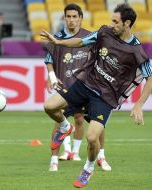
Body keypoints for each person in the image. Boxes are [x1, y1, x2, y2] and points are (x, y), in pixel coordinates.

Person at [41, 3, 152, 188]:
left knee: (92, 138)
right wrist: (58, 42)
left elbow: (150, 79)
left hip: (105, 98)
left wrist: (139, 104)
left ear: (127, 23)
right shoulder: (105, 33)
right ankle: (64, 127)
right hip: (85, 84)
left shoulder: (137, 51)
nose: (112, 24)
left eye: (116, 22)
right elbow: (80, 42)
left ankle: (88, 168)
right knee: (49, 106)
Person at [45, 3, 111, 172]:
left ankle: (101, 157)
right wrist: (51, 77)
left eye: (75, 17)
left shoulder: (89, 37)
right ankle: (53, 160)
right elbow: (49, 60)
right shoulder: (57, 38)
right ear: (64, 18)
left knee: (97, 123)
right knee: (58, 123)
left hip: (89, 87)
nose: (72, 20)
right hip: (67, 87)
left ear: (81, 18)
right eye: (69, 16)